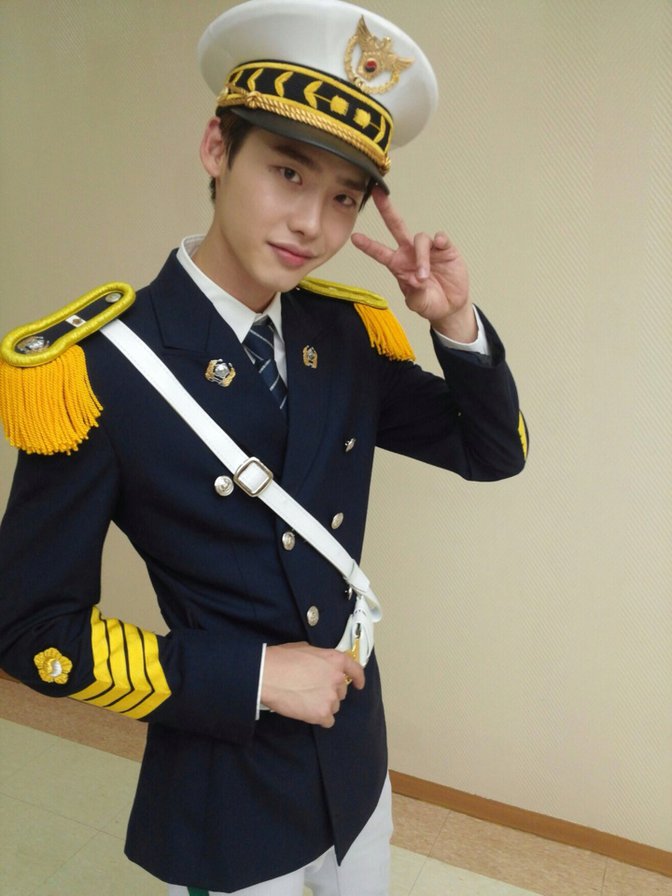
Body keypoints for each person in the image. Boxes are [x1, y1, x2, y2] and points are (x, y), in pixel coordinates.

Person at [0, 1, 528, 894]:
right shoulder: (99, 370)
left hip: (354, 752)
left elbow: (491, 451)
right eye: (288, 171)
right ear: (218, 148)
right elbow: (30, 629)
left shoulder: (344, 334)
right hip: (228, 780)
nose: (313, 224)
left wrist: (454, 322)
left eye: (344, 197)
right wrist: (254, 678)